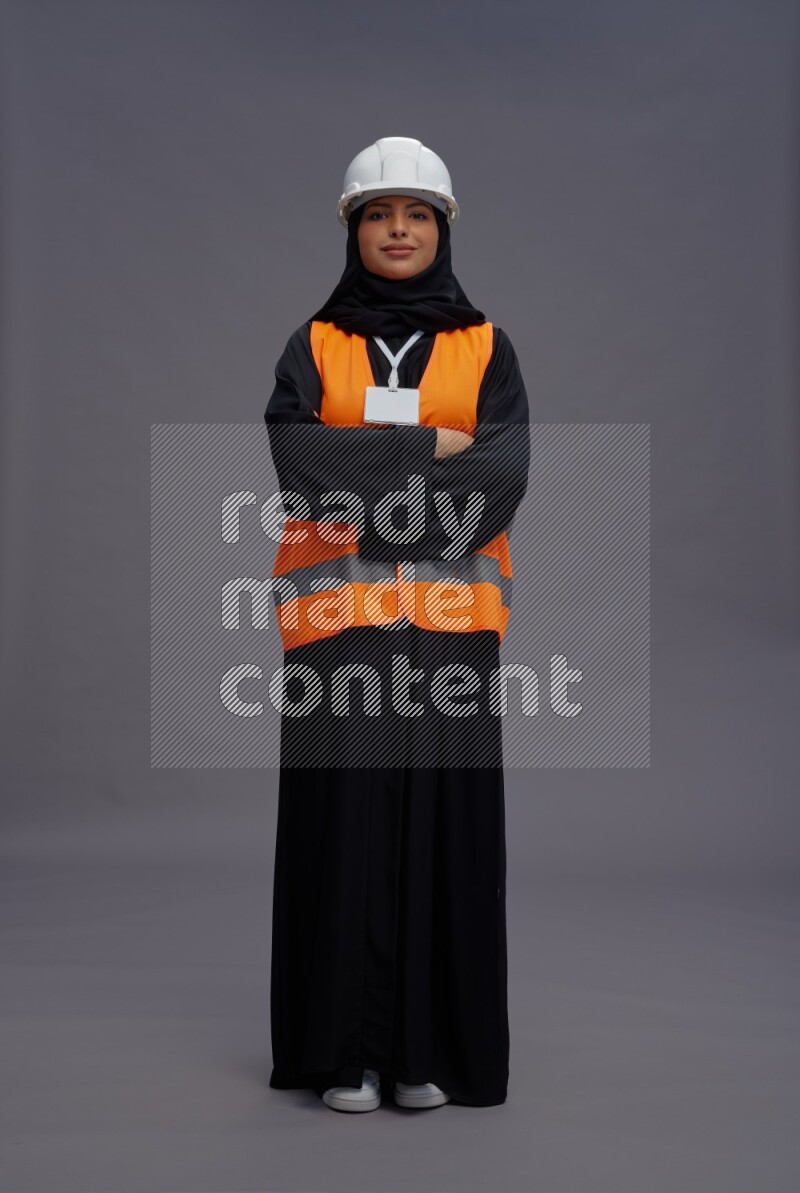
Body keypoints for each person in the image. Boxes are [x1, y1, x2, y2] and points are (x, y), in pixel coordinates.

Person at [264, 136, 530, 1112]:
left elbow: (496, 481)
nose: (398, 229)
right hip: (336, 626)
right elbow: (299, 463)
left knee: (441, 831)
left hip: (450, 626)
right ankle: (342, 1053)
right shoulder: (314, 345)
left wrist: (367, 473)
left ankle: (423, 1052)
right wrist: (427, 445)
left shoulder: (486, 346)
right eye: (379, 213)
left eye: (416, 213)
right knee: (342, 829)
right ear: (352, 228)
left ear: (442, 227)